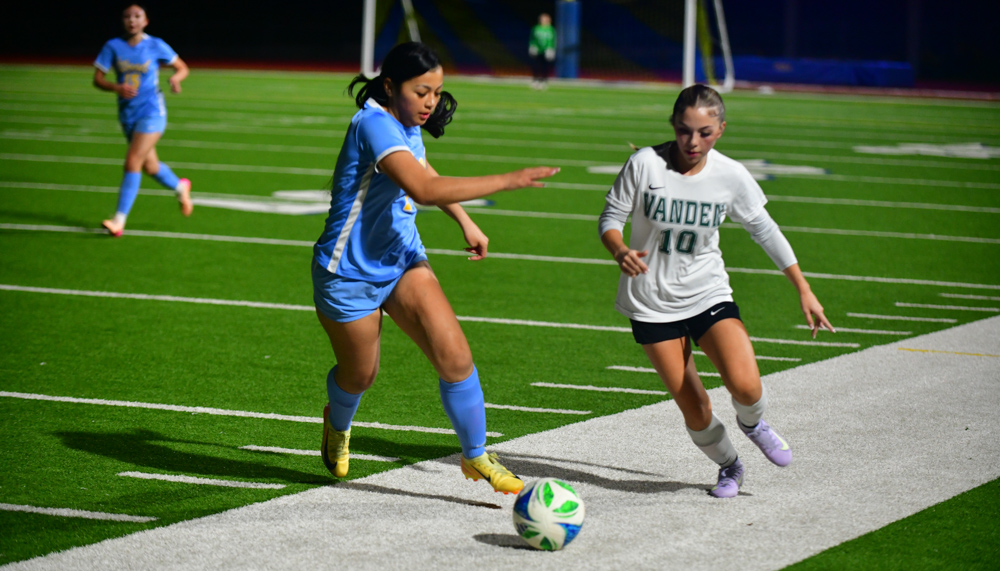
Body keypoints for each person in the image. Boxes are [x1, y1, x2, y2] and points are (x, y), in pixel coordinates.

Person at [314, 42, 559, 495]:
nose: (431, 102)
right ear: (391, 87)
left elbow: (423, 165)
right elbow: (424, 189)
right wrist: (508, 180)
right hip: (348, 272)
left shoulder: (407, 122)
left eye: (437, 91)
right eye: (422, 91)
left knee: (456, 356)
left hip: (403, 258)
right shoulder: (373, 124)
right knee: (360, 375)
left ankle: (476, 455)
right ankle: (338, 420)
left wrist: (465, 220)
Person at [598, 84, 835, 499]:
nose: (693, 141)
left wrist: (803, 288)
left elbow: (765, 230)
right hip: (651, 304)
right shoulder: (644, 164)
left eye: (705, 132)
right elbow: (610, 218)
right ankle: (730, 465)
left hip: (707, 293)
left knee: (746, 386)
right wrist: (619, 250)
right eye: (684, 130)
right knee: (696, 409)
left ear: (721, 129)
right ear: (673, 125)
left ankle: (753, 424)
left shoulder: (730, 175)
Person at [93, 4, 193, 237]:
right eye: (127, 16)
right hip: (128, 113)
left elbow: (182, 67)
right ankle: (181, 187)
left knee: (133, 161)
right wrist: (116, 87)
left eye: (137, 16)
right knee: (151, 167)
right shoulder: (113, 46)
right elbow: (98, 79)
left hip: (152, 112)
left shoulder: (155, 44)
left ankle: (118, 221)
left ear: (145, 21)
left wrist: (176, 79)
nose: (132, 20)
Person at [528, 13, 556, 90]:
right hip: (538, 50)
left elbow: (553, 40)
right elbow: (532, 38)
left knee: (545, 66)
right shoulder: (536, 28)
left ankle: (544, 81)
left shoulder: (551, 29)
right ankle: (535, 80)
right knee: (536, 65)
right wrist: (532, 46)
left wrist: (551, 49)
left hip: (546, 50)